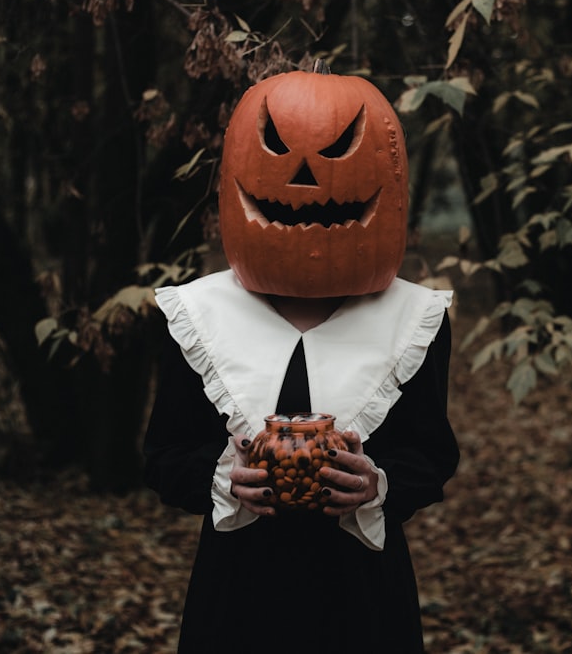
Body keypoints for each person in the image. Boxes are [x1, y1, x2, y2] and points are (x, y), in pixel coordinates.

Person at [143, 62, 459, 653]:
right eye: (275, 148)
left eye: (341, 148)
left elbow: (431, 453)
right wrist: (222, 481)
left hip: (363, 597)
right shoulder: (196, 316)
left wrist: (378, 484)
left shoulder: (415, 320)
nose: (307, 180)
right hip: (238, 591)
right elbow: (163, 455)